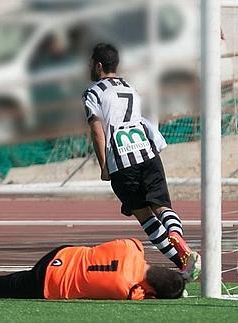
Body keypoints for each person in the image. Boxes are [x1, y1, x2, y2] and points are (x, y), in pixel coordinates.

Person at [82, 43, 200, 277]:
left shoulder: (93, 92)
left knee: (145, 217)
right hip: (147, 153)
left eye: (89, 64)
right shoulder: (130, 88)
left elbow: (98, 130)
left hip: (122, 162)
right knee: (162, 206)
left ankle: (181, 262)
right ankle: (177, 235)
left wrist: (104, 166)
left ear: (98, 65)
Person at [0, 239, 187, 300]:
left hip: (61, 253)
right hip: (49, 282)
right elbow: (139, 293)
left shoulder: (133, 247)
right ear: (149, 291)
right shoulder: (129, 291)